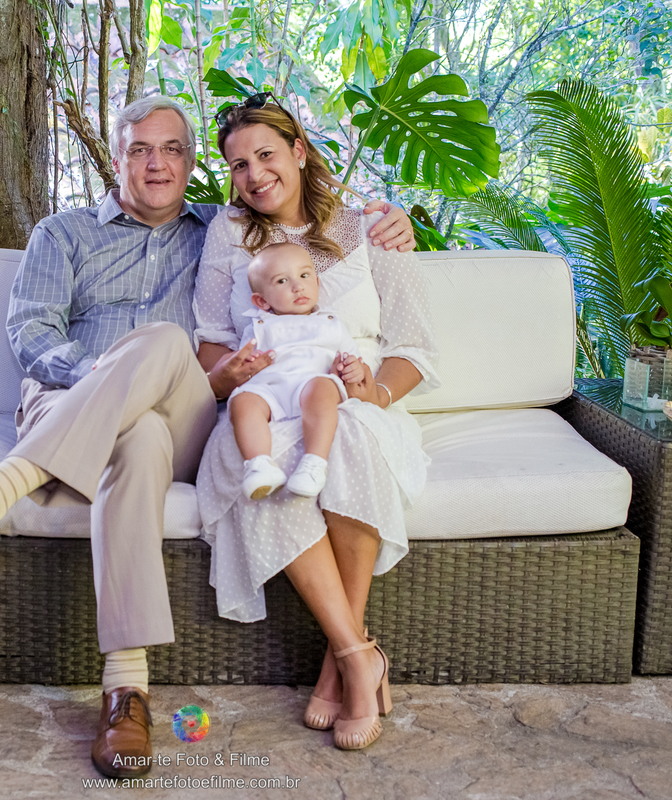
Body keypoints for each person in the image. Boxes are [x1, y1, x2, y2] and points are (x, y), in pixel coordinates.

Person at [0, 95, 416, 778]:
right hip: (72, 409)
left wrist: (392, 218)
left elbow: (297, 224)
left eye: (174, 149)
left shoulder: (222, 231)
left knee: (156, 348)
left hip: (183, 404)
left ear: (190, 163)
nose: (158, 163)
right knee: (143, 430)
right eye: (140, 149)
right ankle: (127, 692)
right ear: (114, 159)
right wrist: (102, 375)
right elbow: (30, 335)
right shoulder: (62, 235)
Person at [194, 94, 440, 751]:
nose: (254, 174)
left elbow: (415, 350)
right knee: (263, 459)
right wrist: (235, 371)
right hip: (266, 402)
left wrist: (374, 392)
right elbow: (210, 344)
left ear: (299, 151)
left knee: (352, 431)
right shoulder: (228, 235)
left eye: (266, 154)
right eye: (238, 164)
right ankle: (359, 657)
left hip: (354, 400)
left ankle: (341, 663)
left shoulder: (372, 228)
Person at [228, 242, 363, 500]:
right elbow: (245, 364)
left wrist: (350, 368)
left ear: (317, 283)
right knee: (243, 401)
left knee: (321, 388)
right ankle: (258, 464)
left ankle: (314, 463)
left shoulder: (330, 323)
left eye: (304, 276)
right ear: (261, 301)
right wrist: (249, 363)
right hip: (270, 386)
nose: (297, 286)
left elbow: (352, 359)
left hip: (312, 382)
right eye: (281, 281)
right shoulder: (259, 325)